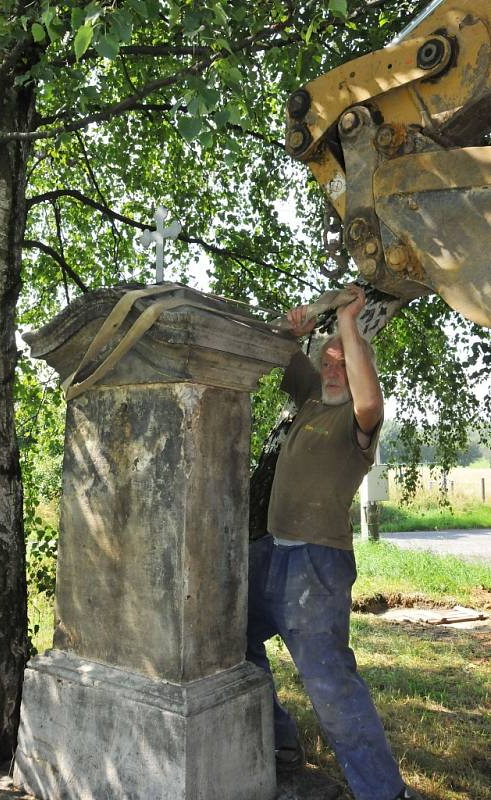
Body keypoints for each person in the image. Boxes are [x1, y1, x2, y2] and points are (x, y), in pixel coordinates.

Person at [247, 284, 423, 800]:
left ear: (357, 368)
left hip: (315, 565)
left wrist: (348, 319)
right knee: (229, 640)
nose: (329, 367)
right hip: (269, 554)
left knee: (330, 688)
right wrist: (296, 328)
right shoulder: (307, 402)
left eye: (341, 363)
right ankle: (280, 743)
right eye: (326, 360)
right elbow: (275, 346)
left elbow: (369, 397)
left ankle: (384, 793)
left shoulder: (357, 419)